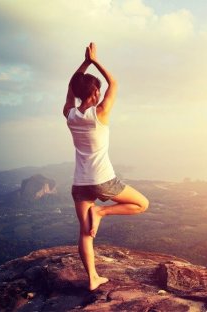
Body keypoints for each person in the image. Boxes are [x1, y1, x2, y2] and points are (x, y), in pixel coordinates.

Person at [63, 42, 149, 291]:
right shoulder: (100, 113)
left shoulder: (69, 114)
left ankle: (92, 278)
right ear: (96, 94)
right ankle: (102, 213)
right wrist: (95, 60)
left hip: (80, 183)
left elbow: (71, 85)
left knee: (83, 232)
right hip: (103, 180)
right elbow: (115, 83)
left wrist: (85, 64)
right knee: (142, 204)